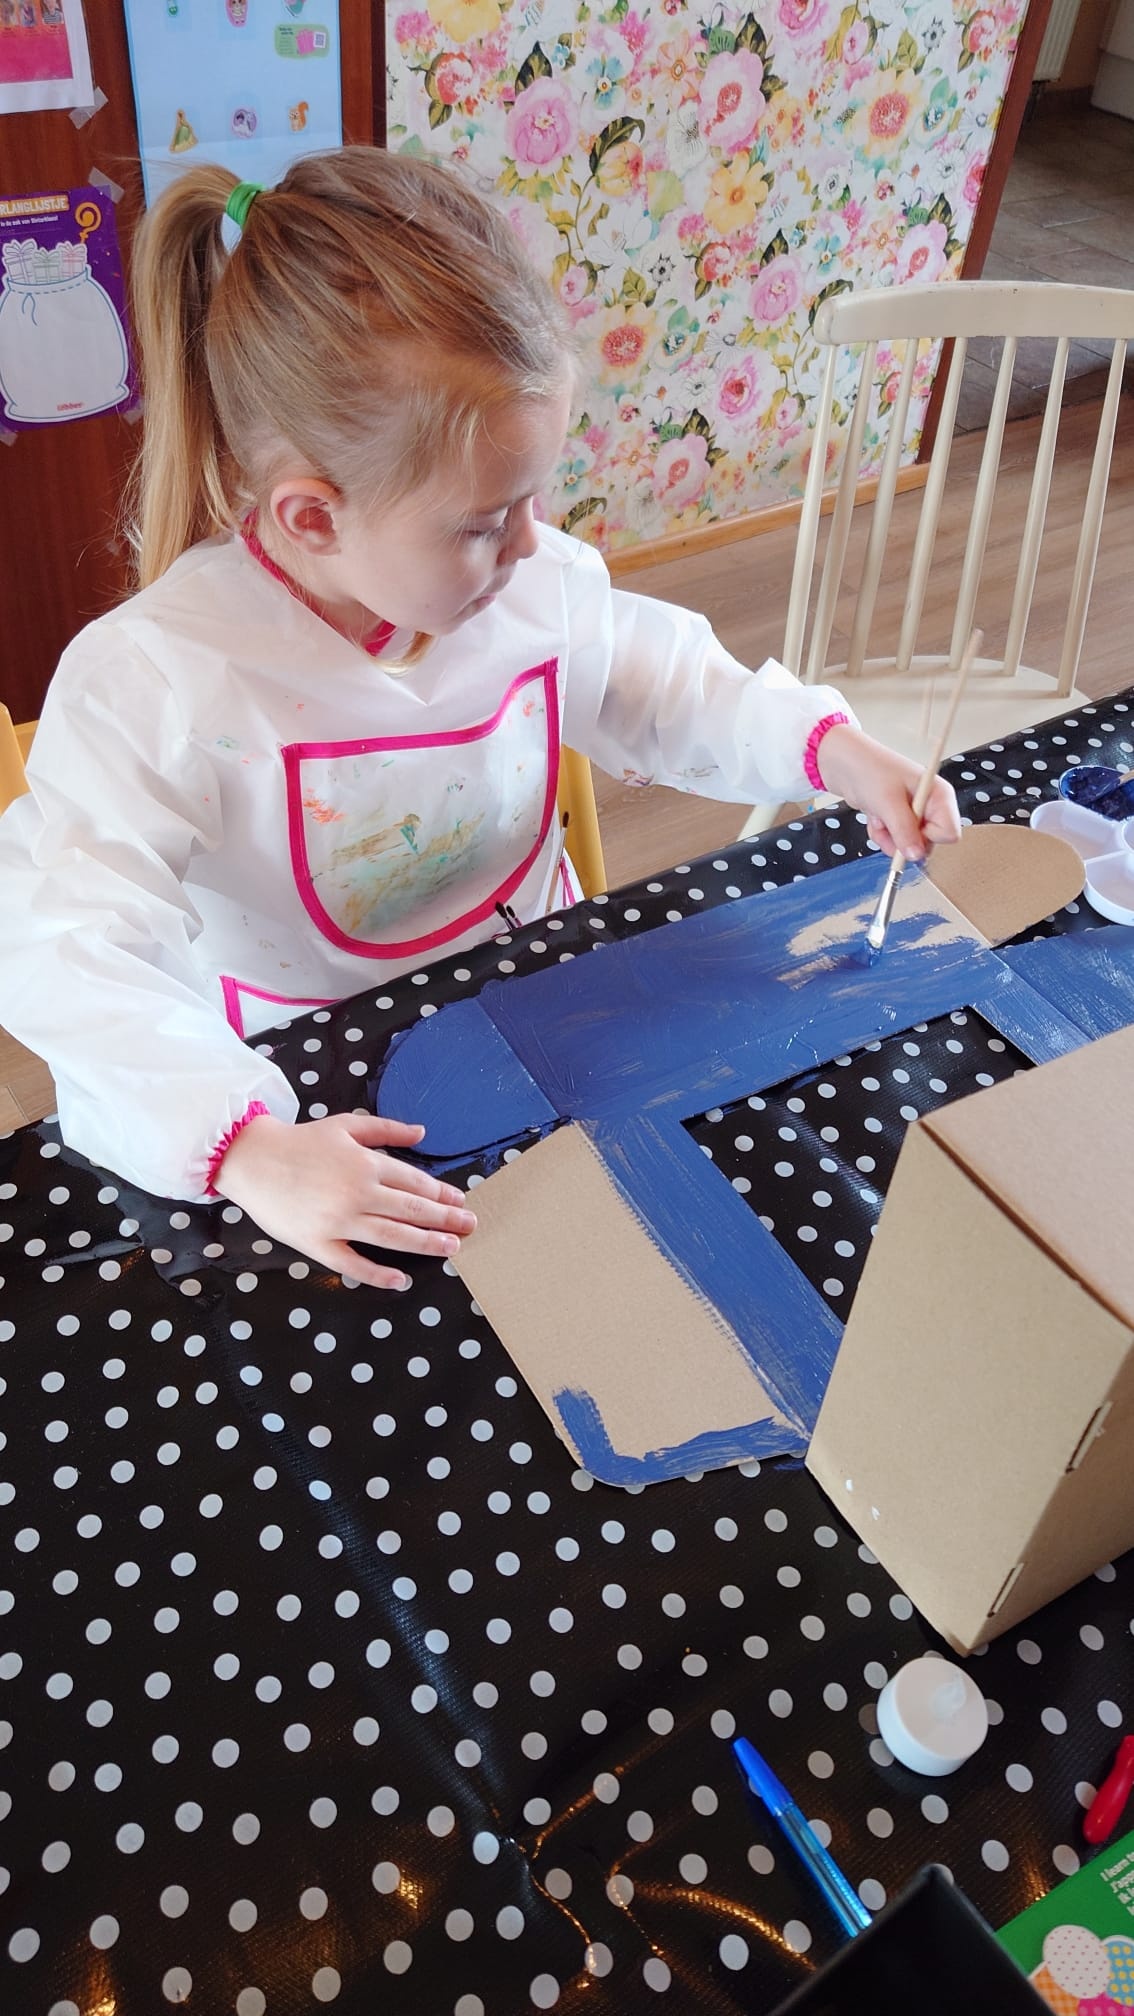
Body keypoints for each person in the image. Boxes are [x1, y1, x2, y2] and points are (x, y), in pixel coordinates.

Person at [0, 149, 959, 1291]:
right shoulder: (158, 681)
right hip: (321, 1082)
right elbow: (71, 949)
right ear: (313, 518)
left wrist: (827, 747)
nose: (532, 542)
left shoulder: (526, 580)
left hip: (557, 995)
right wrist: (245, 1149)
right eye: (484, 521)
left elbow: (663, 686)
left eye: (532, 498)